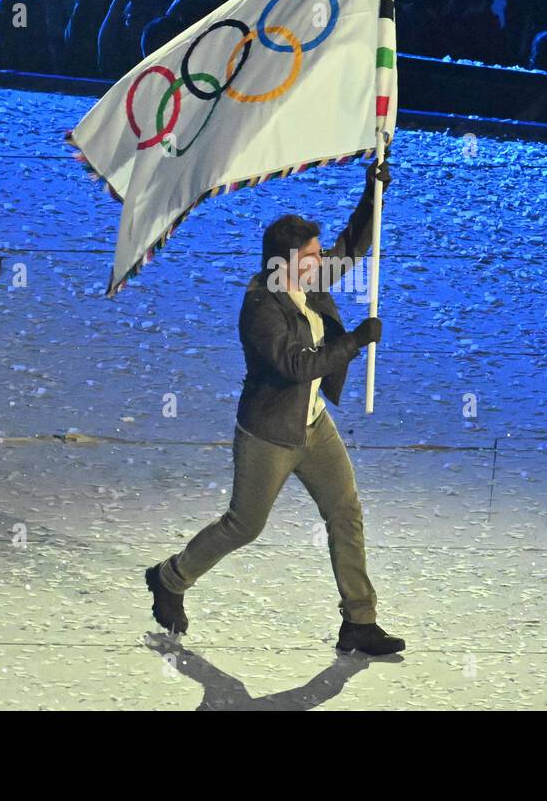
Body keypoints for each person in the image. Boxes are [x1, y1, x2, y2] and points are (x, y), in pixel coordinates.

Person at [145, 155, 406, 657]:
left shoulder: (309, 280)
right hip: (270, 434)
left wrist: (373, 196)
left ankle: (359, 621)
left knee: (345, 512)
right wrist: (352, 342)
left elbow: (352, 247)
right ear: (284, 262)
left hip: (313, 426)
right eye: (311, 254)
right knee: (245, 525)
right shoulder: (261, 305)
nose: (320, 259)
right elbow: (294, 364)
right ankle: (169, 578)